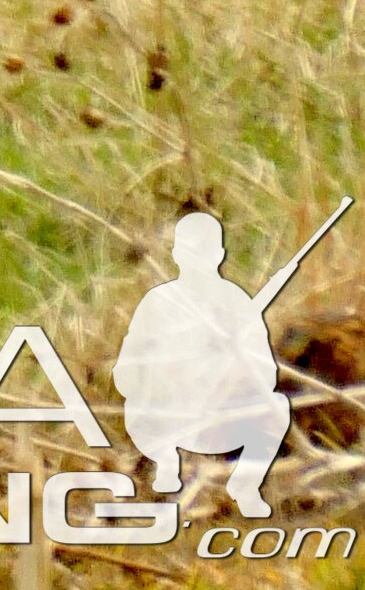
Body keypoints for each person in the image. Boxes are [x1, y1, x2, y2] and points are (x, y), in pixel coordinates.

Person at [118, 211, 290, 518]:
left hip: (223, 416)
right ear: (176, 255)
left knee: (276, 406)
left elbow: (267, 371)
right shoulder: (159, 303)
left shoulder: (235, 301)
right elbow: (127, 371)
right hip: (167, 416)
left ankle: (245, 486)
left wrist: (234, 372)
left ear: (220, 255)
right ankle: (168, 478)